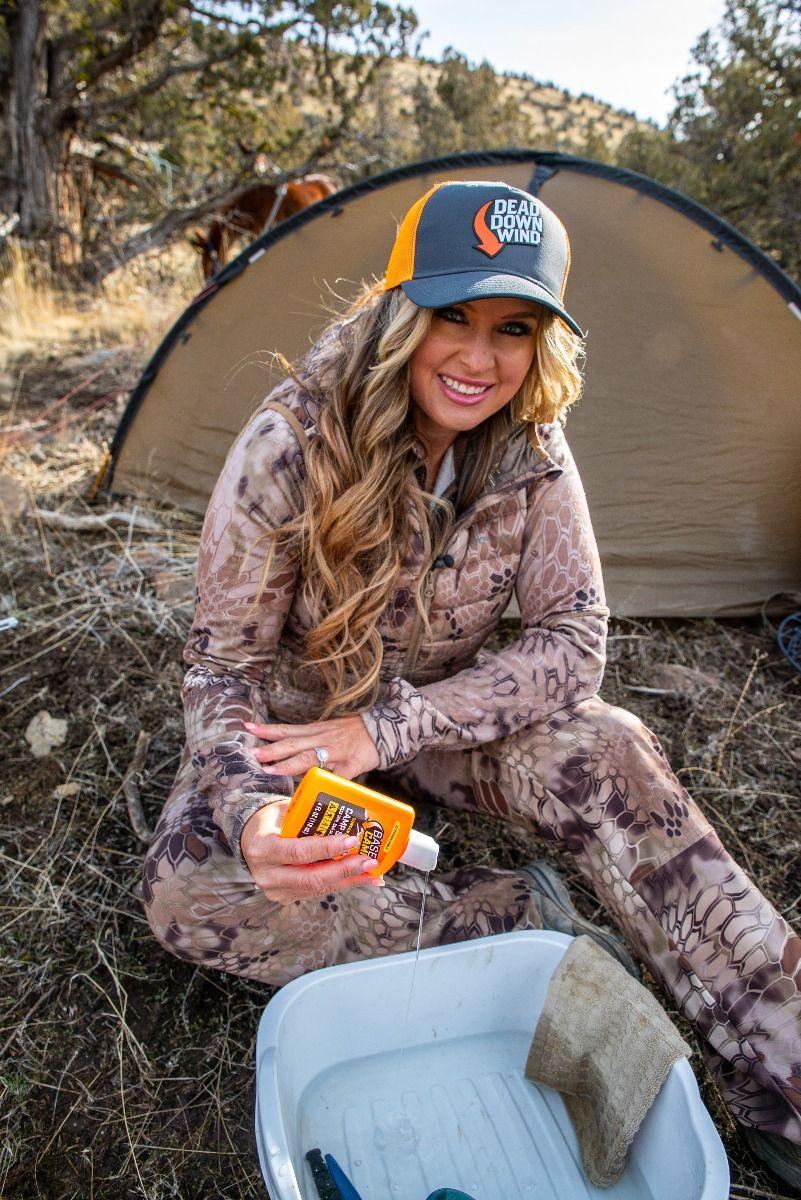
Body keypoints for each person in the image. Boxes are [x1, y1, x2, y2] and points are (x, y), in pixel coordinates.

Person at [142, 180, 801, 1186]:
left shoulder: (533, 446)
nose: (479, 357)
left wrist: (392, 731)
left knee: (607, 745)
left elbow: (575, 639)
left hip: (433, 723)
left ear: (545, 343)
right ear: (401, 306)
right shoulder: (291, 441)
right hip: (292, 736)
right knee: (190, 892)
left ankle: (780, 1060)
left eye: (515, 327)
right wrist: (248, 815)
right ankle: (518, 921)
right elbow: (221, 667)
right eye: (453, 315)